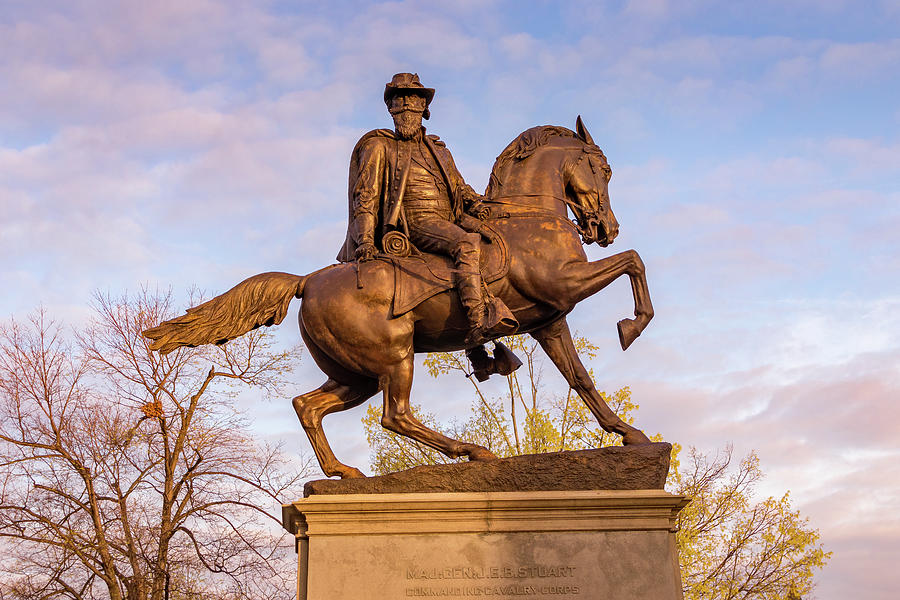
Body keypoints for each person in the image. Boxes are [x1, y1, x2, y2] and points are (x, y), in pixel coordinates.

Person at [337, 73, 516, 346]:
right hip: (415, 222)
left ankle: (474, 350)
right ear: (391, 109)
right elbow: (366, 196)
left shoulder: (440, 150)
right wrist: (364, 240)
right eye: (400, 102)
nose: (406, 107)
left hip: (451, 218)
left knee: (495, 241)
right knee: (466, 245)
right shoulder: (379, 145)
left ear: (424, 108)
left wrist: (484, 206)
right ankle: (478, 320)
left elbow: (460, 188)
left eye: (413, 101)